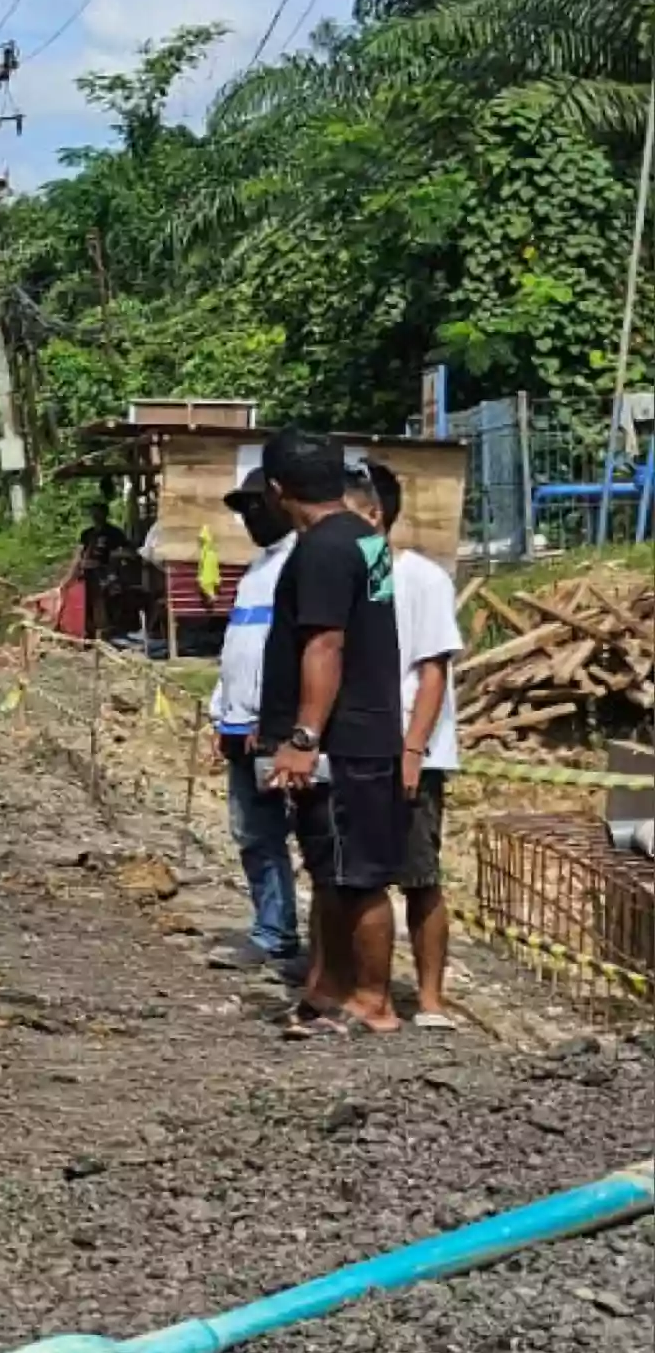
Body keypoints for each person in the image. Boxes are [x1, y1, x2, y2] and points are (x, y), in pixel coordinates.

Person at [253, 425, 403, 1036]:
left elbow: (326, 643)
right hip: (367, 728)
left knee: (355, 874)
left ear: (276, 489)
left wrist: (304, 736)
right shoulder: (365, 539)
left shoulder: (320, 550)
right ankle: (329, 988)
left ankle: (373, 1001)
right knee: (333, 866)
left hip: (341, 740)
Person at [354, 458, 461, 1027]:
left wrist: (413, 749)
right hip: (360, 748)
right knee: (362, 876)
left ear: (374, 515)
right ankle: (371, 991)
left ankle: (431, 999)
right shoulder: (352, 577)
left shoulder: (423, 578)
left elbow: (433, 671)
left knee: (419, 876)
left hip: (409, 748)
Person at [200, 478, 305, 989]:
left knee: (298, 834)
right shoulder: (256, 570)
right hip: (240, 725)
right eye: (243, 511)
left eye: (257, 508)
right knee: (253, 834)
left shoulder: (298, 565)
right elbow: (238, 649)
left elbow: (290, 654)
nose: (250, 519)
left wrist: (272, 720)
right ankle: (274, 928)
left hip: (276, 730)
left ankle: (288, 935)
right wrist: (222, 714)